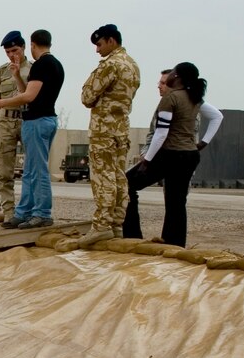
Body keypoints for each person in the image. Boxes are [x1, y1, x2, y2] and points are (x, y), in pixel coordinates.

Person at [0, 28, 64, 227]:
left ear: (30, 45)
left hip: (38, 121)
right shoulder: (56, 65)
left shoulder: (41, 65)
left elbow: (29, 97)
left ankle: (42, 213)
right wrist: (17, 76)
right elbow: (29, 91)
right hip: (37, 119)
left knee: (38, 171)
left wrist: (1, 103)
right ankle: (24, 212)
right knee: (30, 171)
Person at [125, 62, 206, 245]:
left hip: (171, 154)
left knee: (126, 184)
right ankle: (174, 244)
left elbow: (161, 132)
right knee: (176, 202)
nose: (161, 84)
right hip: (190, 155)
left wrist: (147, 159)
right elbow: (217, 116)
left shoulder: (171, 98)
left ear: (176, 77)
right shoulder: (195, 97)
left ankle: (131, 236)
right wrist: (203, 142)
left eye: (165, 79)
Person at [79, 23, 142, 238]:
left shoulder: (110, 65)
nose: (97, 50)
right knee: (118, 176)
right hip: (121, 129)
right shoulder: (132, 65)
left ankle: (101, 226)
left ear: (111, 41)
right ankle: (116, 224)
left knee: (103, 176)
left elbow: (87, 97)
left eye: (99, 44)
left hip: (103, 129)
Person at [0, 33, 31, 214]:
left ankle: (29, 210)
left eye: (15, 50)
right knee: (4, 170)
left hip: (27, 119)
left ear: (23, 48)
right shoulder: (0, 72)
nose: (12, 55)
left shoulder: (34, 69)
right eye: (8, 52)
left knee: (31, 169)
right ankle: (9, 212)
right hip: (5, 121)